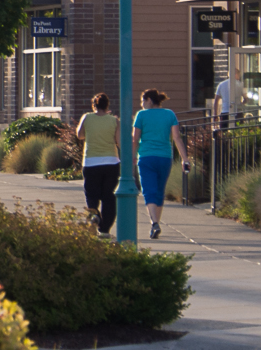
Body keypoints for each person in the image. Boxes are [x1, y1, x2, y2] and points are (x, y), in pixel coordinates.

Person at [132, 88, 188, 240]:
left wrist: (132, 157)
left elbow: (135, 139)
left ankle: (154, 223)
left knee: (148, 190)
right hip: (165, 157)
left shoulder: (141, 115)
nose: (142, 104)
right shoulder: (169, 114)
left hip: (146, 156)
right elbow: (176, 137)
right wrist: (185, 159)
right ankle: (156, 223)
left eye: (143, 101)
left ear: (149, 100)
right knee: (159, 191)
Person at [76, 93, 121, 235]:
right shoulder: (114, 121)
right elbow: (118, 141)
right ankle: (105, 228)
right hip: (111, 162)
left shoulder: (87, 118)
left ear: (94, 105)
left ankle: (94, 214)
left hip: (91, 162)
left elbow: (80, 135)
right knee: (109, 196)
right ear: (107, 105)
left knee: (91, 193)